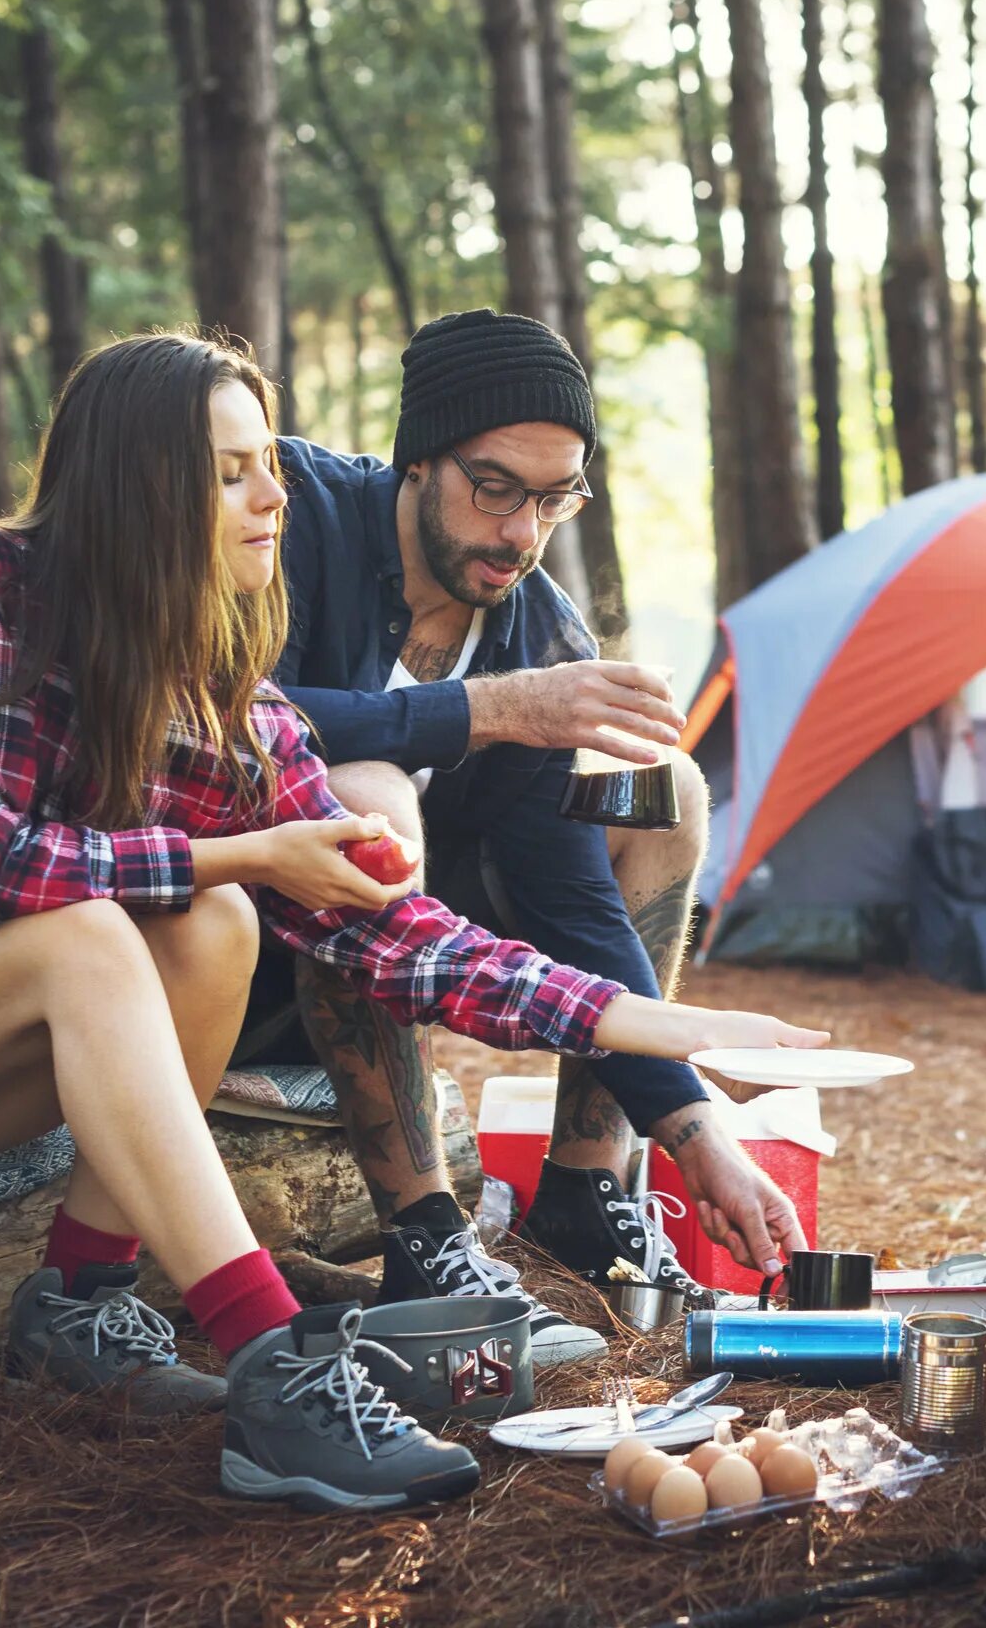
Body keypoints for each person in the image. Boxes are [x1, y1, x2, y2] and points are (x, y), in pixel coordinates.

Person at [0, 332, 824, 1510]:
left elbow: (390, 931)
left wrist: (651, 1021)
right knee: (103, 925)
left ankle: (75, 1305)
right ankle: (276, 1365)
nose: (273, 491)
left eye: (264, 465)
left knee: (217, 922)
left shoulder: (217, 670)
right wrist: (247, 850)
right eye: (234, 470)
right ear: (141, 482)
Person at [251, 309, 796, 1334]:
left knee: (657, 787)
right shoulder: (290, 518)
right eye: (493, 488)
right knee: (369, 798)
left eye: (555, 499)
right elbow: (221, 719)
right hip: (233, 928)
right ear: (417, 461)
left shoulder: (539, 625)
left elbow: (571, 893)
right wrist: (486, 709)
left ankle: (586, 1192)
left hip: (429, 950)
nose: (520, 532)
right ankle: (424, 1236)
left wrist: (692, 1128)